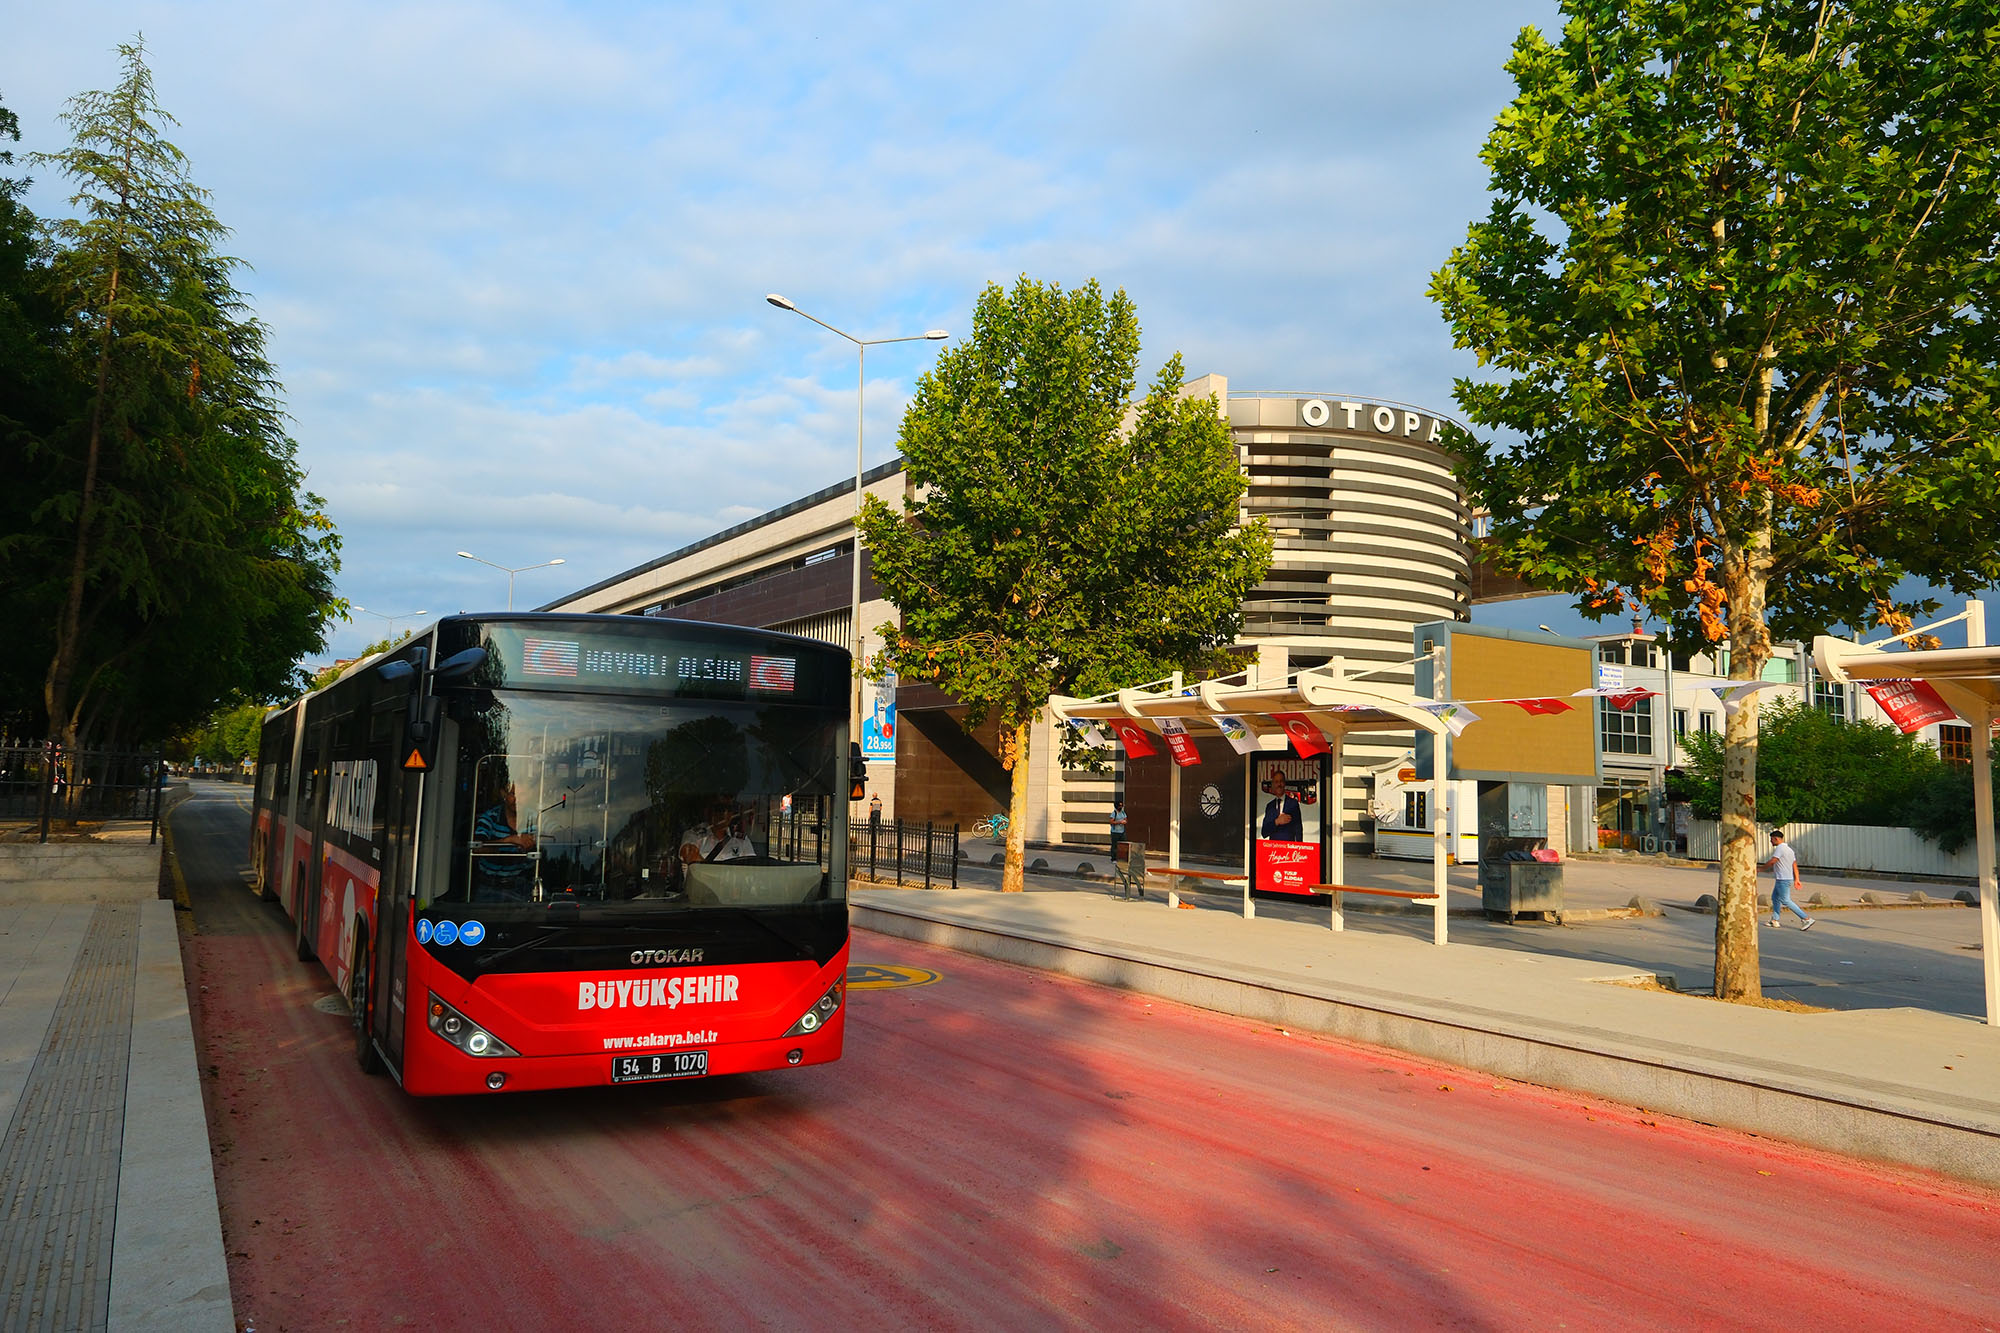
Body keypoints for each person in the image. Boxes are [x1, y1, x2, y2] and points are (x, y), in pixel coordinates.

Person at [473, 784, 538, 901]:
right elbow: (477, 848)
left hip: (522, 887)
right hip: (489, 887)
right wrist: (508, 840)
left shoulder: (534, 817)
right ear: (503, 794)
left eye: (522, 795)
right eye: (514, 794)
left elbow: (559, 832)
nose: (518, 799)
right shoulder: (490, 817)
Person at [1760, 828, 1814, 929]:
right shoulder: (1790, 850)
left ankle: (1806, 919)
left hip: (1783, 879)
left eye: (1771, 839)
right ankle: (1774, 920)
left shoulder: (1780, 848)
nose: (1770, 841)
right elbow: (1794, 865)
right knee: (1775, 898)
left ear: (1776, 839)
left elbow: (1773, 861)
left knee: (1785, 900)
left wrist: (1760, 869)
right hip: (1785, 878)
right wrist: (1797, 879)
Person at [680, 802, 755, 863]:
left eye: (729, 809)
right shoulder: (695, 835)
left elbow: (752, 870)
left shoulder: (741, 840)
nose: (723, 813)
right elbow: (689, 854)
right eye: (718, 808)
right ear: (709, 811)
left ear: (731, 814)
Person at [1260, 772, 1303, 841]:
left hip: (1289, 849)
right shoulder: (1270, 806)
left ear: (1284, 783)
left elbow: (1298, 830)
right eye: (1276, 782)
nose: (1279, 784)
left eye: (1281, 781)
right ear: (1273, 785)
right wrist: (1277, 822)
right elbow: (1264, 832)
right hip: (1273, 849)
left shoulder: (1293, 804)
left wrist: (1299, 848)